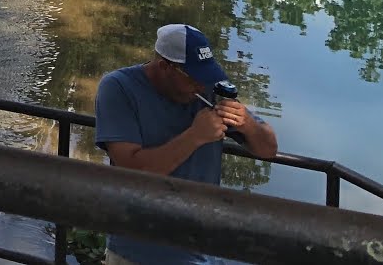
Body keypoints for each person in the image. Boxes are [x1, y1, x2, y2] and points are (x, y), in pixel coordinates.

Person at [94, 24, 278, 265]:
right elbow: (131, 171)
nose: (201, 86)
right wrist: (195, 136)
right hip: (138, 250)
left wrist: (247, 123)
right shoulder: (118, 87)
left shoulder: (209, 89)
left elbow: (268, 150)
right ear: (164, 66)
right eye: (193, 78)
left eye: (206, 76)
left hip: (202, 247)